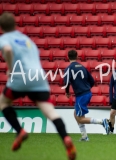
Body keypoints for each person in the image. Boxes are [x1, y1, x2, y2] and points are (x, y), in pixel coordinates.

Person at [0, 12, 76, 160]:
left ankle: (19, 130)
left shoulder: (4, 38)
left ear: (2, 27)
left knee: (3, 102)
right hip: (39, 77)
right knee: (50, 111)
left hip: (20, 76)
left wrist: (10, 68)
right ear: (15, 24)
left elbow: (8, 50)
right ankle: (66, 138)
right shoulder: (27, 40)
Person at [64, 50, 110, 141]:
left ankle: (102, 121)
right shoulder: (83, 67)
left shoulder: (68, 69)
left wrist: (67, 92)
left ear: (68, 57)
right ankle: (84, 136)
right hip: (86, 93)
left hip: (81, 95)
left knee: (80, 119)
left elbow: (66, 83)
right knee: (75, 114)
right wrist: (87, 88)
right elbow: (92, 81)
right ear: (77, 56)